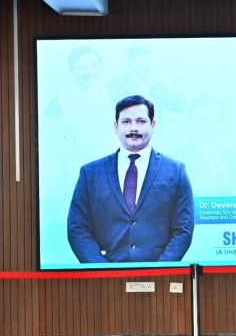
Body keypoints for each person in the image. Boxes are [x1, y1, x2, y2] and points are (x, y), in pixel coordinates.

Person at [67, 95, 194, 263]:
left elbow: (183, 229)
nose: (134, 128)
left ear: (153, 125)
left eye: (141, 121)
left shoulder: (175, 171)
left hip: (159, 273)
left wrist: (159, 270)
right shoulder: (90, 173)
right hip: (105, 274)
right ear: (116, 126)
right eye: (126, 122)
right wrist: (103, 271)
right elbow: (77, 228)